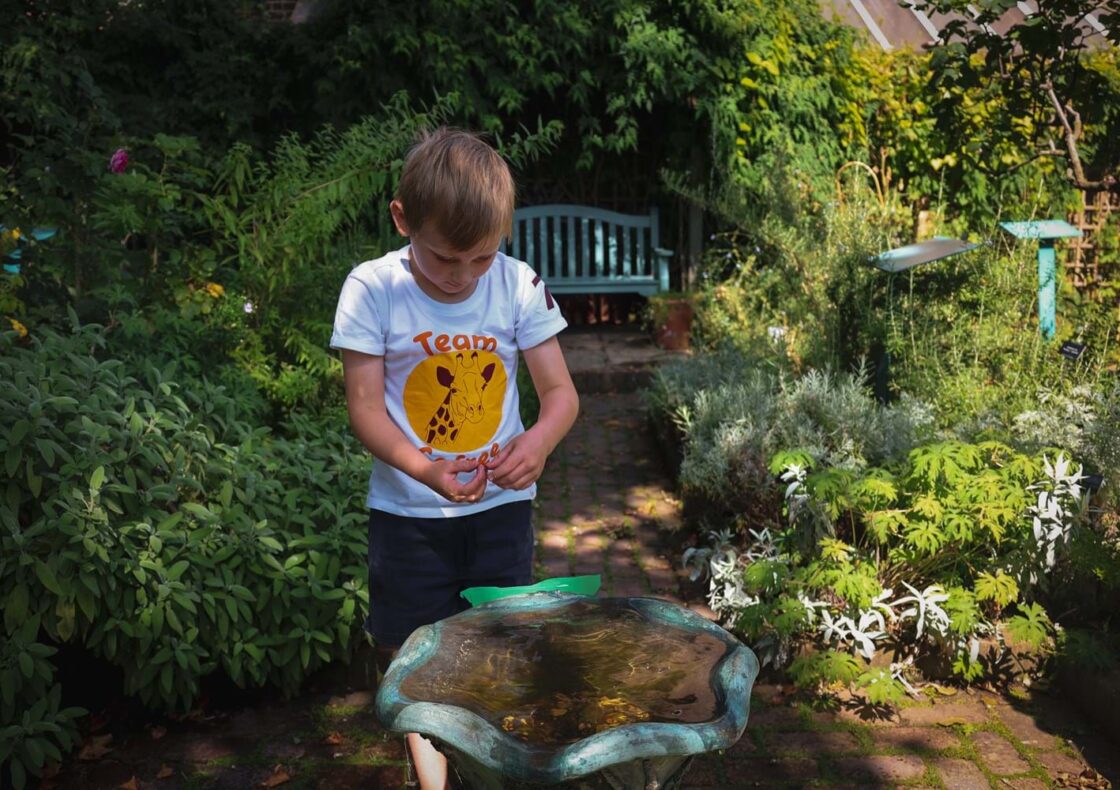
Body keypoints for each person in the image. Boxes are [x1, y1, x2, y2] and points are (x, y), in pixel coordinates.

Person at [329, 127, 579, 790]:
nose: (464, 276)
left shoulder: (519, 284)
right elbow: (364, 408)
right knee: (413, 657)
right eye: (445, 259)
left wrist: (539, 442)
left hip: (499, 513)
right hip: (408, 516)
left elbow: (560, 396)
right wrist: (426, 469)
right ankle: (434, 782)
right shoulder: (372, 290)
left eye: (481, 258)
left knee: (496, 649)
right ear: (402, 218)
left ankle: (483, 768)